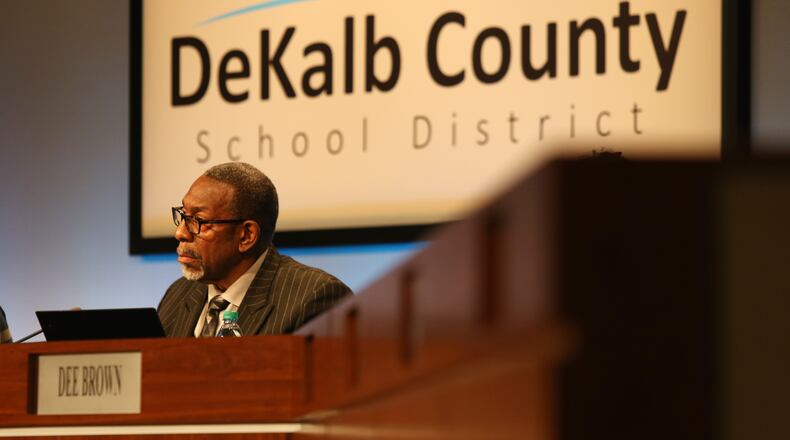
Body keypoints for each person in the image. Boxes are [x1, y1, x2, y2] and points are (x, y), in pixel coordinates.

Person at [158, 162, 351, 337]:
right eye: (184, 215)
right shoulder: (178, 294)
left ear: (246, 236)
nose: (180, 233)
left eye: (198, 221)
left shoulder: (313, 298)